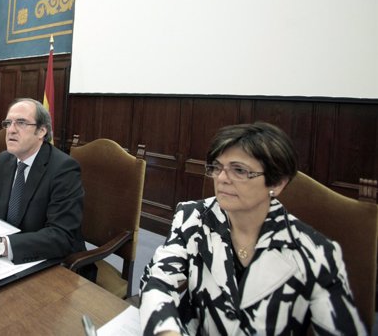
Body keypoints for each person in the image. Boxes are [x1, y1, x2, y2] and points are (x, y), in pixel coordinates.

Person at [139, 122, 366, 335]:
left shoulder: (316, 253)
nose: (222, 178)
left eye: (239, 170)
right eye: (217, 167)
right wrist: (167, 331)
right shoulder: (193, 216)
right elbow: (156, 280)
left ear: (277, 183)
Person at [0, 98, 86, 265]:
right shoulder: (5, 159)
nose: (11, 130)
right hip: (8, 256)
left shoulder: (64, 169)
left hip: (52, 262)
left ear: (42, 131)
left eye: (21, 123)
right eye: (8, 123)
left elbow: (61, 236)